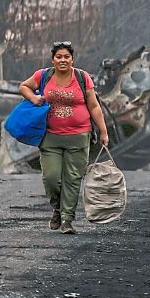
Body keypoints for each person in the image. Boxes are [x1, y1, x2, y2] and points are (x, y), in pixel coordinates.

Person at [19, 41, 111, 234]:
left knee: (73, 179)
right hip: (50, 137)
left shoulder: (82, 77)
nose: (63, 60)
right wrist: (34, 98)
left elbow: (94, 106)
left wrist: (103, 131)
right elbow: (24, 87)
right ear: (53, 59)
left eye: (66, 57)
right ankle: (57, 208)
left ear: (72, 59)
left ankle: (67, 220)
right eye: (59, 57)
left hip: (79, 136)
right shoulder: (43, 76)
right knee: (51, 177)